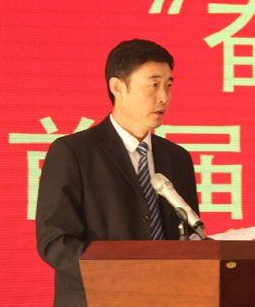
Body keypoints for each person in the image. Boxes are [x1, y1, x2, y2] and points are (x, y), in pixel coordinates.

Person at [36, 39, 199, 307]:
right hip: (98, 298)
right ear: (117, 87)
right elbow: (56, 242)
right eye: (154, 85)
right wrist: (127, 276)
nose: (164, 97)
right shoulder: (73, 152)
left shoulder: (177, 158)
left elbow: (186, 232)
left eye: (169, 85)